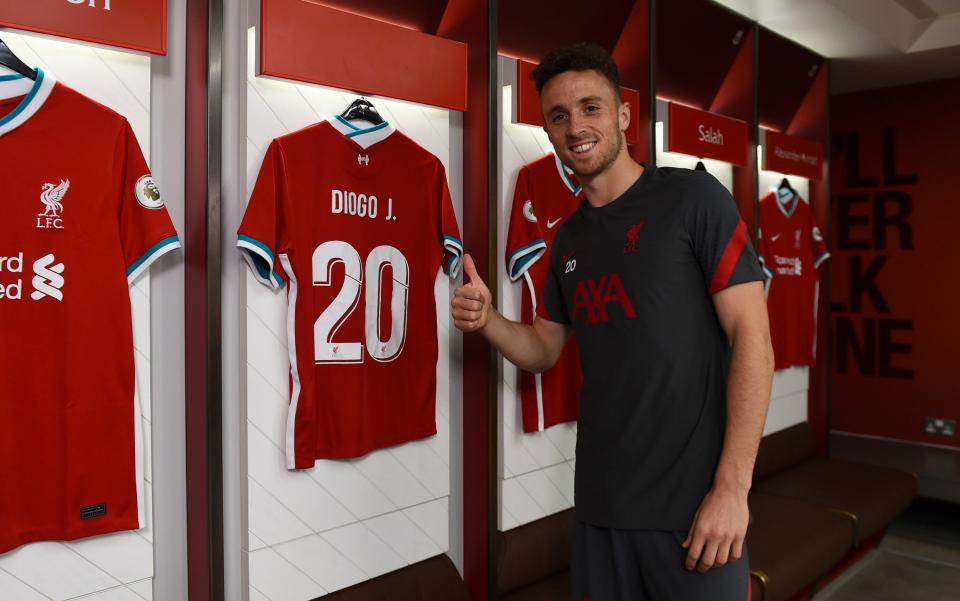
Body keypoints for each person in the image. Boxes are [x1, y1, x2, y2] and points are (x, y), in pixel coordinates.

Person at [451, 43, 774, 601]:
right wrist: (489, 322)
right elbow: (543, 350)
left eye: (591, 107)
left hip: (697, 513)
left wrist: (732, 488)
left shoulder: (693, 198)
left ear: (624, 116)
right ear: (548, 132)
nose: (576, 125)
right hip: (602, 509)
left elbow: (754, 340)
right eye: (559, 115)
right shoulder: (568, 238)